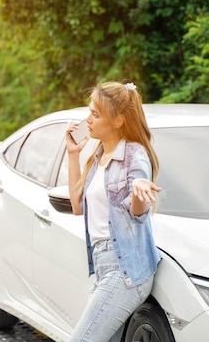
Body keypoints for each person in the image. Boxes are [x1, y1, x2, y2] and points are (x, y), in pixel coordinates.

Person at [66, 81, 162, 342]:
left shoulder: (134, 155)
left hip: (125, 269)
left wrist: (140, 190)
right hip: (102, 267)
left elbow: (138, 211)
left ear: (118, 120)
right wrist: (73, 154)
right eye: (90, 112)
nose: (89, 119)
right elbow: (77, 206)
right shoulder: (97, 158)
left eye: (95, 114)